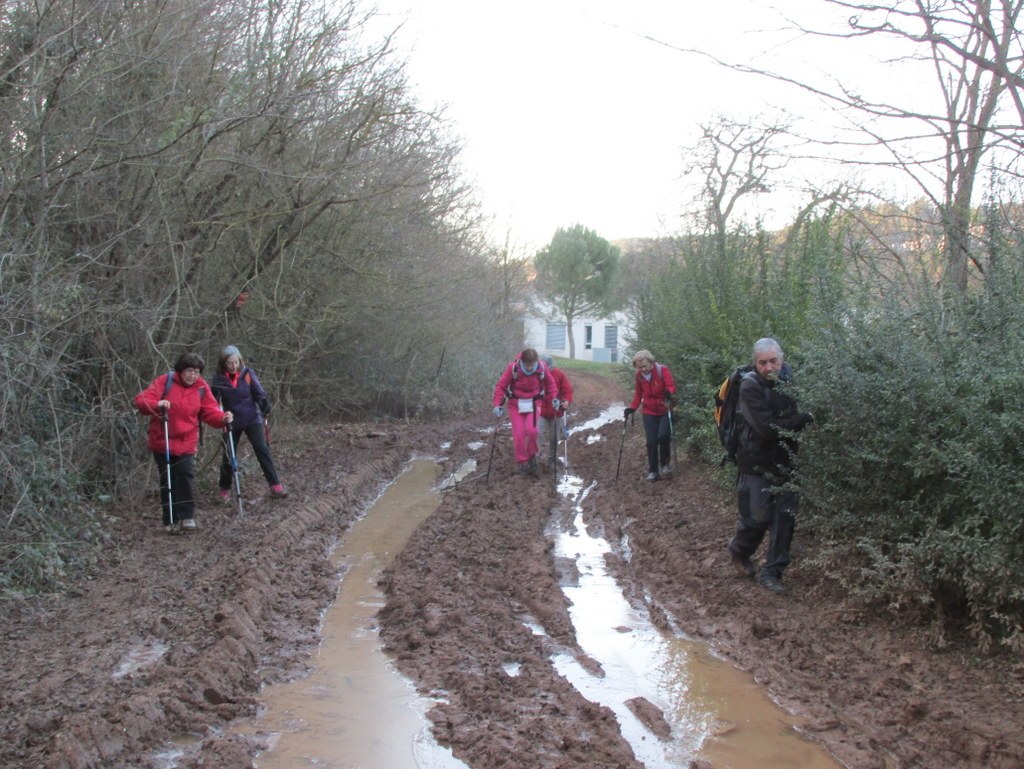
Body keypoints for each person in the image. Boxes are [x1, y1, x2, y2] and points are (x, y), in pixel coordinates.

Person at [726, 338, 814, 594]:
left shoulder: (790, 380)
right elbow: (766, 429)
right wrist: (802, 420)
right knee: (756, 520)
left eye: (773, 361)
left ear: (782, 360)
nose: (768, 367)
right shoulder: (749, 386)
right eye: (762, 363)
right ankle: (739, 550)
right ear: (755, 364)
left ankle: (772, 573)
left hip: (786, 462)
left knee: (785, 520)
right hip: (754, 464)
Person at [134, 353, 233, 534]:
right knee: (168, 479)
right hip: (162, 439)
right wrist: (158, 404)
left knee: (186, 476)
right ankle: (170, 519)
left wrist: (222, 418)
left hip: (187, 440)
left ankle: (187, 516)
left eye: (196, 372)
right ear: (180, 370)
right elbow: (141, 401)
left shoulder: (201, 387)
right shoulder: (166, 381)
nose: (192, 375)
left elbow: (210, 411)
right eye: (189, 371)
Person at [209, 345, 288, 501]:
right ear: (223, 364)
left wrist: (264, 403)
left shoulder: (247, 374)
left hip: (252, 418)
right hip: (231, 420)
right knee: (228, 453)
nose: (233, 366)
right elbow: (212, 403)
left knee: (261, 449)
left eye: (236, 362)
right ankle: (224, 489)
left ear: (240, 361)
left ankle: (275, 486)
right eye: (229, 363)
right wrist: (220, 416)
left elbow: (259, 393)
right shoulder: (218, 380)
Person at [492, 348, 558, 476]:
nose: (529, 368)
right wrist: (496, 404)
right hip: (515, 406)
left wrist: (555, 398)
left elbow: (551, 384)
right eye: (527, 365)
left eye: (531, 365)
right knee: (519, 435)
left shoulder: (542, 368)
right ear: (522, 361)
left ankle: (532, 456)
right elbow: (500, 386)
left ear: (536, 362)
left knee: (533, 430)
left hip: (533, 404)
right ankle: (522, 461)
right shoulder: (513, 368)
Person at [624, 350, 676, 481]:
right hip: (649, 411)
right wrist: (631, 408)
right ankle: (653, 471)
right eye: (639, 367)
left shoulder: (662, 370)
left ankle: (665, 464)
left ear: (651, 363)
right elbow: (638, 395)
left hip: (665, 409)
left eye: (644, 366)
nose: (642, 369)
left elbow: (671, 386)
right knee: (651, 441)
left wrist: (668, 393)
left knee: (663, 436)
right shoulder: (639, 376)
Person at [538, 355, 573, 467]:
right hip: (541, 412)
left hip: (556, 412)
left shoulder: (559, 374)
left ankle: (552, 459)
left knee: (554, 437)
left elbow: (567, 391)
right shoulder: (537, 375)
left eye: (549, 368)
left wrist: (566, 401)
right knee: (537, 434)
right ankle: (535, 458)